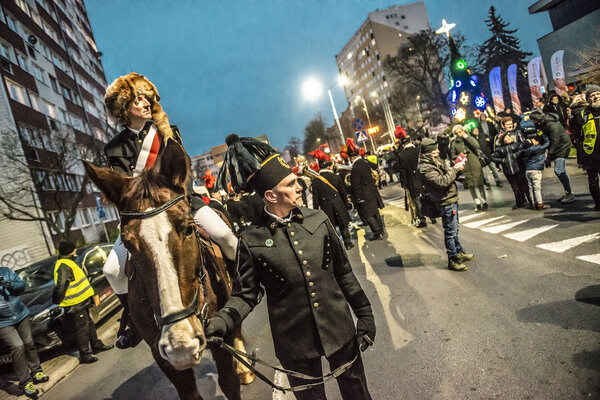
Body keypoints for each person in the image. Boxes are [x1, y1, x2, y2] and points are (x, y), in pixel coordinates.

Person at [206, 136, 375, 400]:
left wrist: (365, 314)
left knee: (358, 394)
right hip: (294, 342)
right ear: (271, 196)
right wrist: (223, 320)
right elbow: (246, 294)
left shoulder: (319, 220)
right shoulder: (251, 240)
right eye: (291, 183)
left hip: (338, 328)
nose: (300, 186)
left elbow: (343, 272)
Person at [102, 73, 239, 348]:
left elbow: (183, 168)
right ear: (123, 108)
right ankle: (130, 318)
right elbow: (123, 192)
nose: (145, 102)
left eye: (145, 97)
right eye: (137, 99)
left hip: (179, 205)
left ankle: (242, 284)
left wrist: (183, 202)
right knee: (112, 271)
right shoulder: (114, 148)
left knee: (224, 235)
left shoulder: (168, 132)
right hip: (143, 217)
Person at [417, 139, 473, 271]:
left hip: (451, 198)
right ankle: (452, 259)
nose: (438, 151)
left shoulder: (434, 160)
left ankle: (459, 251)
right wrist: (454, 169)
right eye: (435, 149)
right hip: (444, 200)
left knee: (455, 228)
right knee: (450, 231)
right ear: (428, 151)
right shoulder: (425, 167)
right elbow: (442, 182)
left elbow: (447, 174)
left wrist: (457, 170)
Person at [53, 242, 113, 364]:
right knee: (82, 329)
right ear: (70, 251)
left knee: (89, 324)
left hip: (81, 301)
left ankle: (96, 345)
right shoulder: (64, 265)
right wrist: (56, 300)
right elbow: (61, 284)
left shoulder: (68, 263)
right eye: (74, 250)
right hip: (75, 303)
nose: (75, 252)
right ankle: (85, 354)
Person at [0, 267, 49, 398]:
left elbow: (21, 285)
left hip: (21, 315)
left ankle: (37, 372)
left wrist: (9, 284)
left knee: (29, 343)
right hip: (3, 323)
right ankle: (26, 382)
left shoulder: (5, 272)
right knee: (17, 346)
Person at [529, 109, 575, 204]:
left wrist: (549, 156)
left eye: (532, 120)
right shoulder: (541, 124)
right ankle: (567, 192)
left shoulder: (552, 124)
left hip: (562, 146)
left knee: (559, 170)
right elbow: (540, 136)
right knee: (560, 170)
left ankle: (569, 194)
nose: (531, 122)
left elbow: (555, 141)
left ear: (537, 119)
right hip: (556, 147)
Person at [312, 153, 355, 250]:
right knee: (343, 224)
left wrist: (316, 211)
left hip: (325, 206)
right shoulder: (336, 177)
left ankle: (337, 246)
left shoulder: (315, 181)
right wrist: (346, 203)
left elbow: (315, 198)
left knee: (331, 227)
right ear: (329, 166)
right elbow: (343, 192)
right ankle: (348, 243)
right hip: (338, 204)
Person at [571, 84, 600, 211]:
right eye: (592, 96)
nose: (595, 97)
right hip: (591, 154)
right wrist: (581, 156)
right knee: (593, 181)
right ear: (588, 99)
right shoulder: (583, 115)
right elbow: (577, 136)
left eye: (598, 94)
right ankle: (598, 204)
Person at [351, 144, 385, 240]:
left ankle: (377, 233)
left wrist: (357, 198)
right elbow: (375, 166)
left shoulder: (355, 168)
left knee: (368, 214)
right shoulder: (365, 162)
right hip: (372, 191)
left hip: (363, 194)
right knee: (375, 212)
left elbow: (355, 185)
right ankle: (381, 230)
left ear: (352, 157)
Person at [450, 125, 488, 212]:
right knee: (471, 185)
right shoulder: (455, 143)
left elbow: (477, 146)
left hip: (475, 163)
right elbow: (452, 155)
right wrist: (460, 156)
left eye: (461, 131)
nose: (460, 133)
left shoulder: (469, 138)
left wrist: (467, 137)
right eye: (458, 132)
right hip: (465, 165)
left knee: (479, 183)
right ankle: (477, 203)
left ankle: (484, 202)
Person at [491, 134, 532, 209]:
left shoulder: (516, 145)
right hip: (508, 171)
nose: (509, 138)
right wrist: (501, 160)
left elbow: (523, 150)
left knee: (524, 186)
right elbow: (493, 157)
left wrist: (517, 154)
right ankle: (519, 202)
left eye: (509, 136)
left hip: (518, 169)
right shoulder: (500, 149)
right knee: (515, 187)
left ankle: (530, 201)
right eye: (506, 137)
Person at [398, 136, 427, 227]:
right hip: (423, 177)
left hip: (411, 180)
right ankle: (433, 217)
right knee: (426, 196)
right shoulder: (418, 150)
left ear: (403, 145)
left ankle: (422, 220)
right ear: (411, 141)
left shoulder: (401, 155)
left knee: (417, 200)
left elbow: (402, 172)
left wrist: (404, 184)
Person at [521, 134, 550, 210]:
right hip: (536, 170)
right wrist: (544, 135)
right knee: (537, 188)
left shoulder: (525, 151)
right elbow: (547, 143)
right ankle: (540, 204)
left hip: (528, 169)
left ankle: (533, 203)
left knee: (530, 187)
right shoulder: (538, 148)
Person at [474, 114, 502, 187]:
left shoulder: (489, 125)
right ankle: (487, 183)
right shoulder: (475, 137)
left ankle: (497, 180)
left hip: (488, 152)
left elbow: (495, 132)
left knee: (493, 168)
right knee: (484, 171)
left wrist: (491, 139)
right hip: (482, 156)